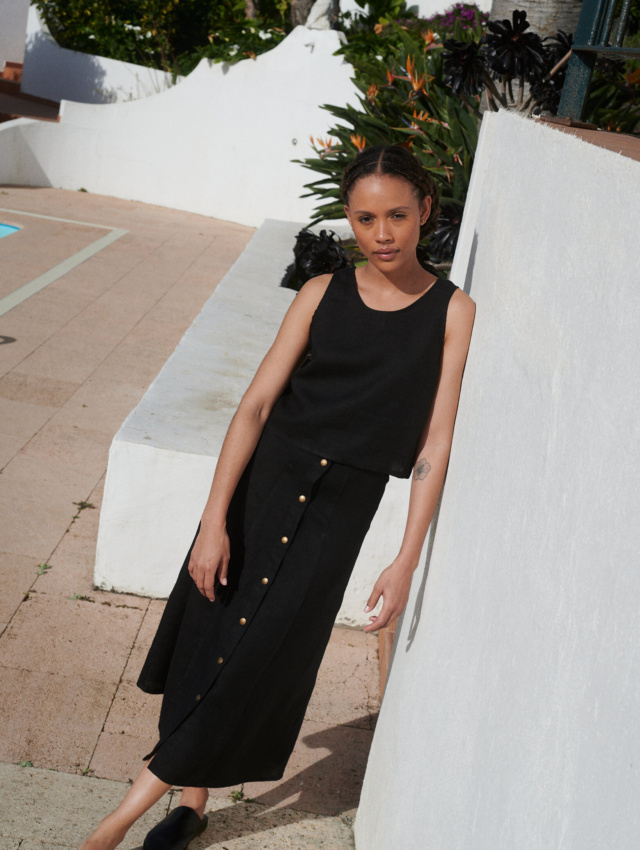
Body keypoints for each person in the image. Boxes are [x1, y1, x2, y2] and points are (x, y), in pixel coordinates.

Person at [80, 144, 475, 850]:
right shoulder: (322, 292)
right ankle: (190, 804)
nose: (381, 234)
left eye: (396, 216)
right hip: (264, 487)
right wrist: (212, 523)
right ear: (348, 219)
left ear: (425, 213)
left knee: (259, 656)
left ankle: (112, 826)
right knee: (209, 640)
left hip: (339, 515)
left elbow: (433, 445)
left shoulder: (453, 311)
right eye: (364, 218)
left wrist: (405, 557)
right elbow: (256, 405)